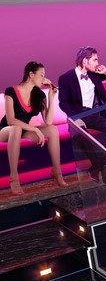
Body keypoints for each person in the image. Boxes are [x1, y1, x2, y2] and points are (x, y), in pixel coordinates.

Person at [57, 45, 106, 184]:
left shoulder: (94, 74)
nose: (97, 63)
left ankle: (98, 166)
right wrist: (75, 118)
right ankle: (101, 168)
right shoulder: (65, 78)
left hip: (94, 115)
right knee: (79, 135)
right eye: (95, 60)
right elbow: (63, 103)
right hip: (77, 115)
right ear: (84, 61)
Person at [2, 61, 67, 193]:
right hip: (5, 130)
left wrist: (51, 97)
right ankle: (13, 178)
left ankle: (57, 171)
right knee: (16, 128)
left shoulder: (39, 95)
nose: (44, 79)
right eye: (41, 75)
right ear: (31, 74)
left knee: (52, 130)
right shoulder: (11, 91)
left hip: (24, 130)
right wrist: (34, 129)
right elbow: (11, 120)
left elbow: (48, 122)